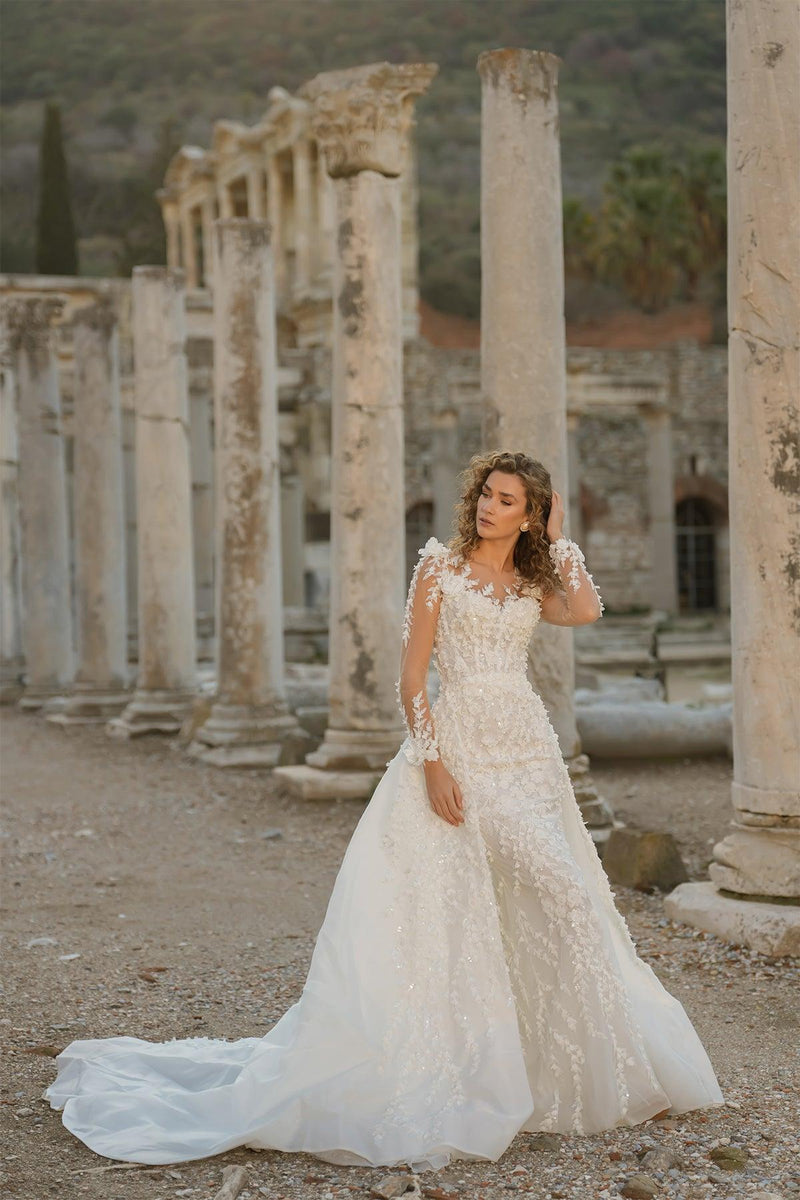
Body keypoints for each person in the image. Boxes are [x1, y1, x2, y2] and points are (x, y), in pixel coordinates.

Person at [44, 449, 724, 1171]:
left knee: (556, 896)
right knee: (496, 901)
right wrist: (433, 763)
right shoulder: (438, 566)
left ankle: (557, 1072)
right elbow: (411, 680)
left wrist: (558, 536)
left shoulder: (533, 575)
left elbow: (584, 609)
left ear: (529, 514)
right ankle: (477, 1071)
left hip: (527, 752)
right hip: (461, 750)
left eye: (508, 501)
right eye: (487, 495)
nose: (491, 507)